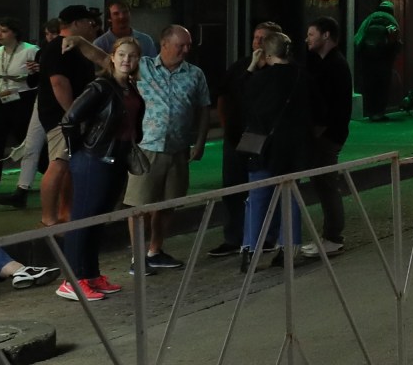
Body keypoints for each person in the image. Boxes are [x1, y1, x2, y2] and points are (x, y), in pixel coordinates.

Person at [55, 39, 144, 301]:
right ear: (112, 58)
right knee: (83, 220)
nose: (127, 60)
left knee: (97, 219)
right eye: (122, 55)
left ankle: (90, 274)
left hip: (117, 157)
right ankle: (71, 280)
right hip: (94, 159)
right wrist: (79, 152)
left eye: (133, 56)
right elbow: (69, 120)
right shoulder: (101, 87)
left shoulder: (129, 87)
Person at [130, 25, 210, 269]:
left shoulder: (195, 74)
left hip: (178, 148)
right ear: (164, 44)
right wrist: (81, 43)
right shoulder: (142, 67)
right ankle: (138, 256)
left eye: (188, 45)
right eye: (180, 45)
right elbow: (105, 60)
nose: (186, 50)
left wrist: (200, 141)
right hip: (147, 147)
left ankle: (155, 250)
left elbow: (204, 108)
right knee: (139, 205)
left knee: (168, 203)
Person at [236, 29, 316, 264]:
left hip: (263, 146)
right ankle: (289, 248)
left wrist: (251, 66)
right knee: (291, 198)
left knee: (257, 197)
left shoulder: (259, 79)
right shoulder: (302, 77)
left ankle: (251, 248)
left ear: (266, 53)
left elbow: (241, 95)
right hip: (293, 148)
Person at [207, 21, 284, 260]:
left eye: (264, 39)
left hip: (264, 139)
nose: (258, 43)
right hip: (237, 137)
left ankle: (266, 236)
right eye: (256, 38)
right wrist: (227, 126)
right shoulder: (240, 67)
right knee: (233, 188)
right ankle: (234, 236)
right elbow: (224, 95)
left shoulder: (277, 71)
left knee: (264, 188)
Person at [35, 6, 105, 231]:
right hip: (61, 116)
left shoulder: (76, 48)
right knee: (59, 162)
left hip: (71, 114)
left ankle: (66, 211)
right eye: (90, 23)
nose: (93, 28)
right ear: (76, 23)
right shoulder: (59, 48)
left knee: (69, 164)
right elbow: (59, 82)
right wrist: (72, 115)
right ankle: (49, 217)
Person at [301, 19, 353, 256]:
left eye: (312, 34)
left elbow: (333, 106)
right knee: (322, 184)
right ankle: (329, 235)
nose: (307, 38)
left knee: (326, 184)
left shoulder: (335, 66)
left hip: (327, 135)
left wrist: (320, 131)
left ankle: (333, 236)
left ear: (326, 35)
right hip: (325, 134)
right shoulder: (322, 63)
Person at [0, 17, 37, 203]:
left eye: (3, 30)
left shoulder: (30, 50)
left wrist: (26, 76)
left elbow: (36, 75)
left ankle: (40, 169)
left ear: (15, 32)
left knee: (25, 138)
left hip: (22, 98)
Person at [354, 0, 400, 121]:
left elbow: (358, 37)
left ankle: (371, 112)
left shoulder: (370, 18)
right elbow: (395, 41)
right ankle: (379, 112)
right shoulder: (391, 20)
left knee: (370, 86)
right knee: (382, 87)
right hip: (384, 59)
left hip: (367, 59)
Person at [92, 1, 158, 62]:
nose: (122, 16)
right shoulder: (100, 44)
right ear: (109, 19)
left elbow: (154, 69)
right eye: (116, 14)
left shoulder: (146, 40)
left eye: (125, 12)